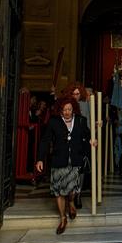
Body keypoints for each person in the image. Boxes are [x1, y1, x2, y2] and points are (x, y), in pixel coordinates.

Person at [35, 96, 96, 234]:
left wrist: (93, 140)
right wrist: (40, 159)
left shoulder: (80, 120)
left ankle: (71, 201)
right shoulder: (53, 122)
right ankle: (63, 218)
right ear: (60, 110)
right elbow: (45, 141)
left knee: (72, 189)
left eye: (69, 109)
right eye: (64, 109)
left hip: (75, 160)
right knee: (58, 191)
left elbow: (88, 136)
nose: (67, 112)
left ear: (73, 109)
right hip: (58, 160)